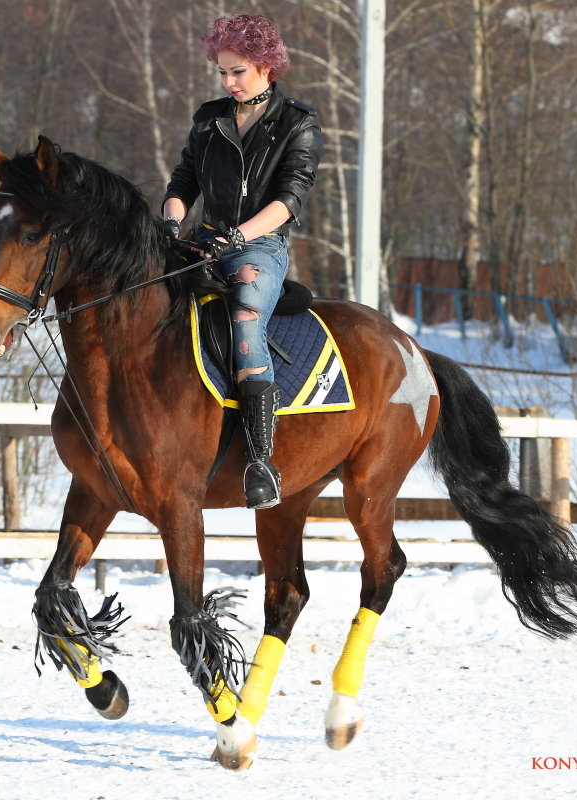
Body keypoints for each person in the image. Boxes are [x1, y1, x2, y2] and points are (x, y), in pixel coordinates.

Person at [162, 13, 323, 510]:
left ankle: (260, 461)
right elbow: (182, 183)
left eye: (239, 72)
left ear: (267, 68)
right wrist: (170, 224)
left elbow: (290, 198)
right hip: (203, 240)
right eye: (222, 72)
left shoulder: (298, 121)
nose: (229, 82)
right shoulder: (208, 119)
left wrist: (237, 236)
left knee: (246, 319)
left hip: (259, 247)